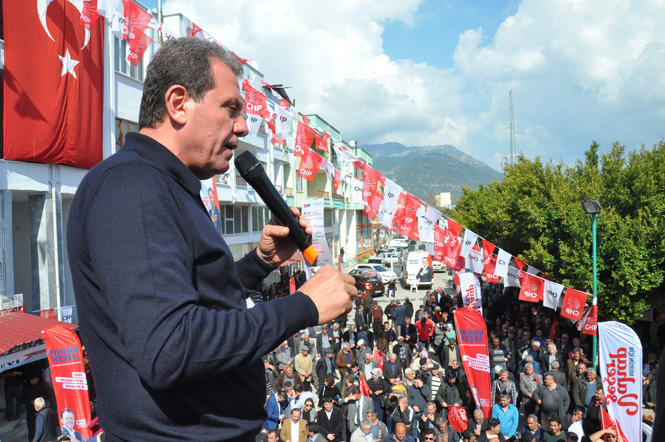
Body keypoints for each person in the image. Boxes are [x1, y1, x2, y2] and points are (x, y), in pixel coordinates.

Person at [67, 38, 357, 441]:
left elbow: (192, 302)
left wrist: (259, 263)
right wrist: (303, 306)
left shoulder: (164, 185)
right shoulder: (132, 187)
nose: (242, 126)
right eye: (231, 108)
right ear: (178, 103)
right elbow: (170, 347)